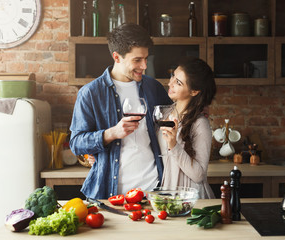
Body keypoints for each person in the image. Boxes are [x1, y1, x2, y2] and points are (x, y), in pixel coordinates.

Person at [69, 23, 172, 199]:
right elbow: (76, 143)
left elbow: (173, 122)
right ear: (117, 57)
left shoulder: (153, 87)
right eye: (137, 60)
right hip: (112, 193)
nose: (145, 66)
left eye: (146, 58)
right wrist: (111, 133)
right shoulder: (90, 93)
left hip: (154, 190)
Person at [158, 57, 216, 199]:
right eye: (173, 76)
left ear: (194, 91)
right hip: (168, 196)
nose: (170, 83)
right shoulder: (163, 114)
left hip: (191, 198)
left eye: (178, 82)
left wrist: (174, 145)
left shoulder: (200, 123)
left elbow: (199, 175)